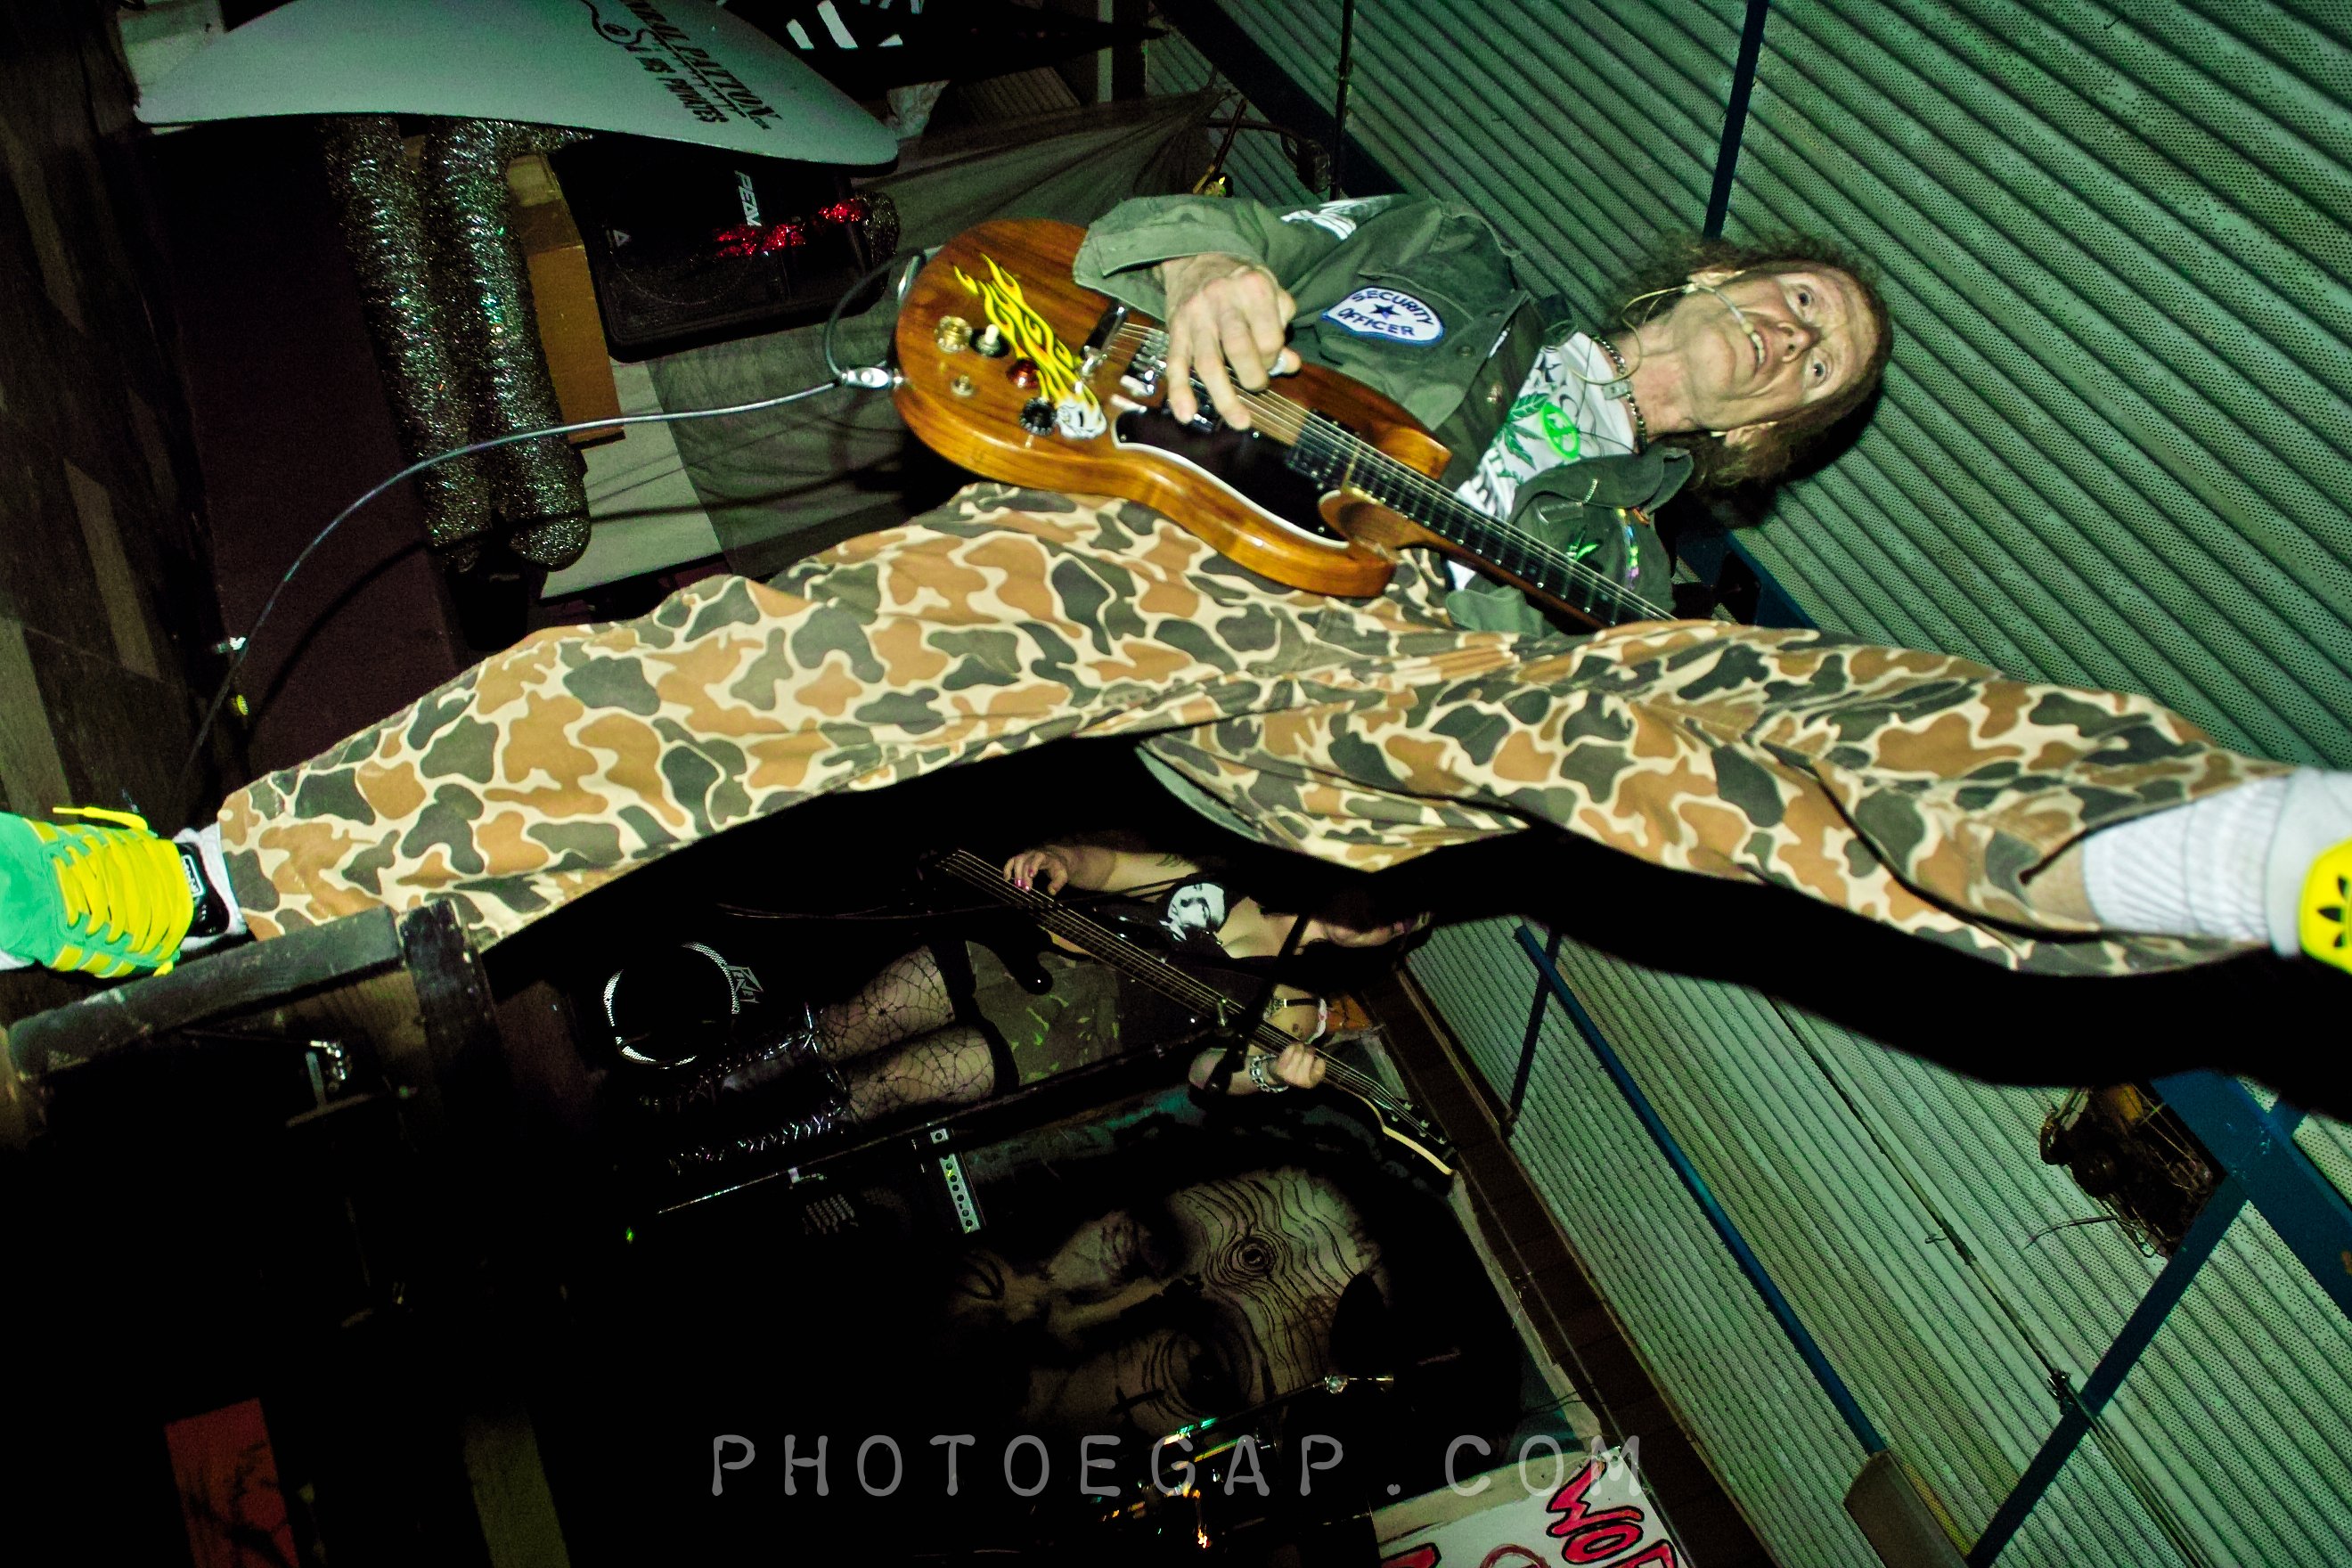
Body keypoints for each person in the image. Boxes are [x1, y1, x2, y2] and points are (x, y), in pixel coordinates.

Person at [2, 194, 2347, 1079]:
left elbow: (1480, 804)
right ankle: (200, 890)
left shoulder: (1630, 585)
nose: (1785, 344)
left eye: (1813, 372)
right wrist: (1204, 265)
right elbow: (1154, 243)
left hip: (1409, 700)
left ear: (1766, 435)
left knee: (1675, 721)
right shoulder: (1454, 259)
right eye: (1795, 303)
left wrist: (1328, 855)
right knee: (717, 691)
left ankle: (2217, 853)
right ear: (1719, 279)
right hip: (1162, 548)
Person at [617, 840, 1425, 1168]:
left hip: (1075, 1038)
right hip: (1031, 952)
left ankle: (691, 1161)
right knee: (842, 1026)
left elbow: (1208, 1075)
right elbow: (1110, 868)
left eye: (1403, 926)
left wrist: (1276, 1078)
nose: (1386, 919)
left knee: (888, 1088)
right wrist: (1060, 859)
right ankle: (668, 1104)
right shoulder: (1228, 870)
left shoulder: (1295, 1004)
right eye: (1395, 898)